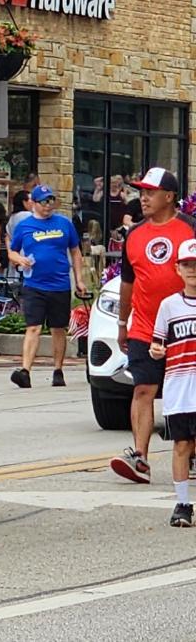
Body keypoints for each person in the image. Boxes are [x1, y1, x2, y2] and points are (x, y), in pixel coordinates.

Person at [111, 167, 196, 484]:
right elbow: (127, 283)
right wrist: (123, 323)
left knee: (191, 394)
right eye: (141, 191)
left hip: (187, 327)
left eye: (150, 192)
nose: (142, 197)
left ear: (170, 196)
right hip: (146, 328)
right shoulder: (134, 235)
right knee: (144, 388)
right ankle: (140, 458)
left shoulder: (190, 229)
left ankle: (190, 451)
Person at [7, 184, 86, 389]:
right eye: (43, 201)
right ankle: (25, 371)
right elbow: (12, 251)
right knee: (33, 327)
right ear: (33, 203)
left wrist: (79, 279)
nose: (48, 205)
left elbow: (76, 251)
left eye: (51, 201)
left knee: (58, 328)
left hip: (60, 284)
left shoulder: (64, 223)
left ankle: (58, 370)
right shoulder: (25, 226)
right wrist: (20, 260)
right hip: (34, 284)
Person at [148, 238, 196, 526]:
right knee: (181, 444)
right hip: (179, 387)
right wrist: (156, 351)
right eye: (187, 265)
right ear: (178, 269)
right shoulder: (169, 306)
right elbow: (158, 343)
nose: (192, 271)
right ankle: (182, 504)